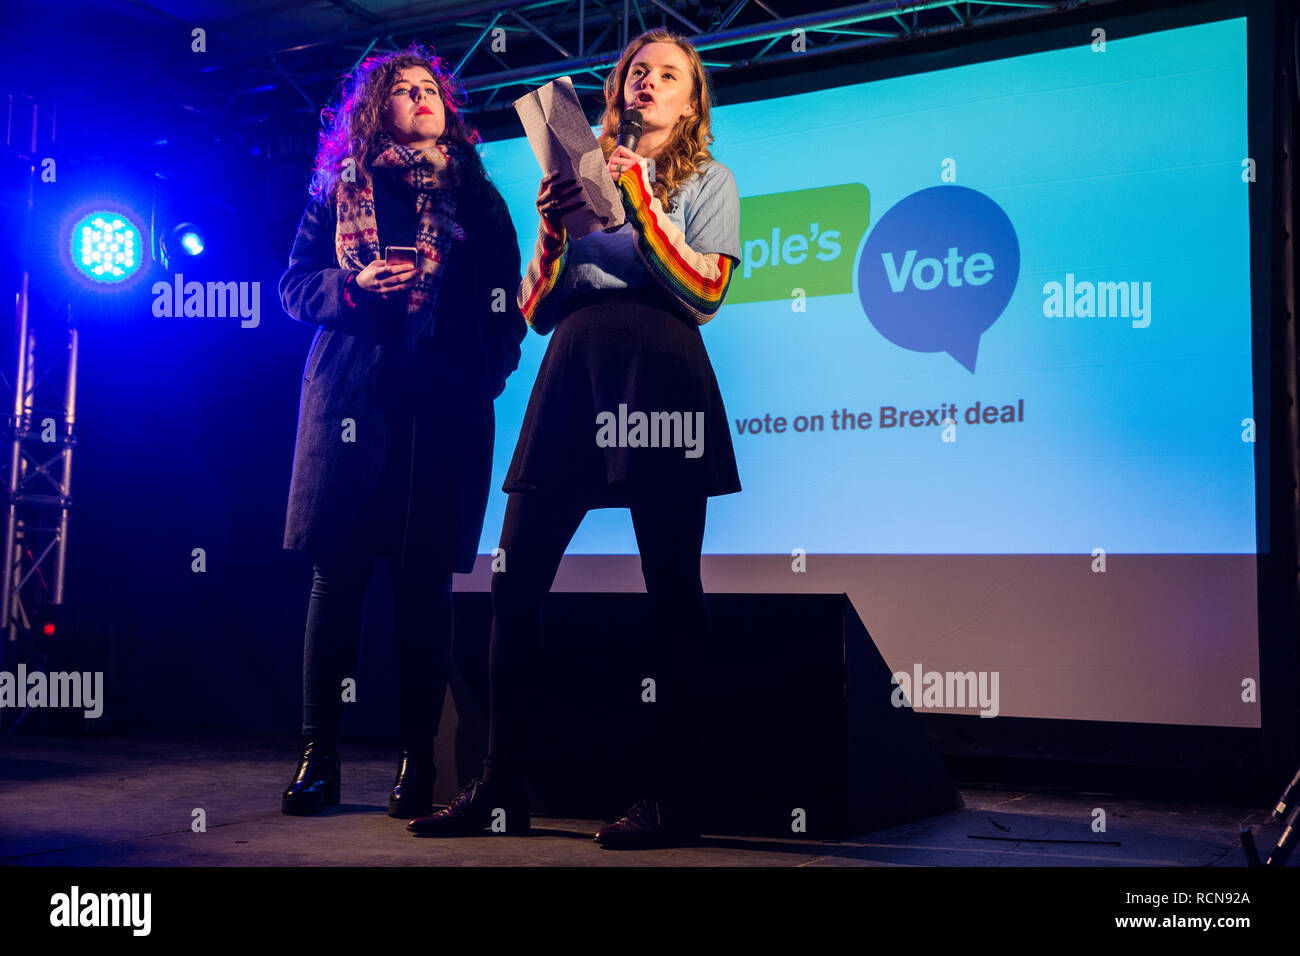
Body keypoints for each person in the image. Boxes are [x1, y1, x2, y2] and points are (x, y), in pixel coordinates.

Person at [407, 28, 741, 849]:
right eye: (637, 72)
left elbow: (706, 291)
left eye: (670, 76)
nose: (649, 85)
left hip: (661, 366)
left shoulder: (710, 179)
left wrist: (643, 212)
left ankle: (673, 795)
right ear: (618, 87)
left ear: (692, 99)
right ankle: (501, 786)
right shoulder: (578, 169)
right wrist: (555, 228)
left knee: (672, 587)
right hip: (573, 368)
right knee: (515, 584)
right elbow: (536, 308)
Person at [277, 46, 526, 818]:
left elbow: (505, 310)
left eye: (431, 90)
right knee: (338, 579)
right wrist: (351, 287)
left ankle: (418, 760)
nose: (422, 98)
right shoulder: (339, 187)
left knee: (424, 588)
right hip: (351, 398)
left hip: (443, 407)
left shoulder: (478, 199)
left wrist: (484, 372)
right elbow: (292, 285)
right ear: (376, 106)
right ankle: (319, 759)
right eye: (404, 90)